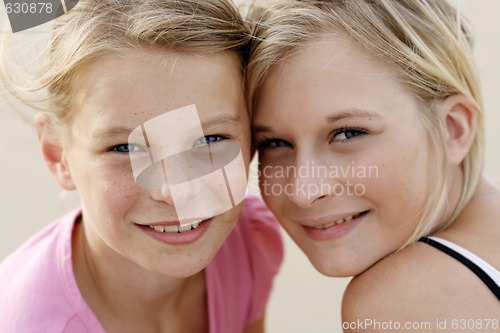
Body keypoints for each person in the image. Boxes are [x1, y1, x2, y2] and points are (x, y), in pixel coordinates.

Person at [0, 1, 283, 332]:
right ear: (57, 155)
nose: (175, 191)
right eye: (126, 148)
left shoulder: (249, 240)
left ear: (251, 140)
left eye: (209, 140)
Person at [246, 0, 500, 331]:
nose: (303, 191)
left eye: (349, 133)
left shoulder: (405, 302)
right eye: (274, 143)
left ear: (453, 129)